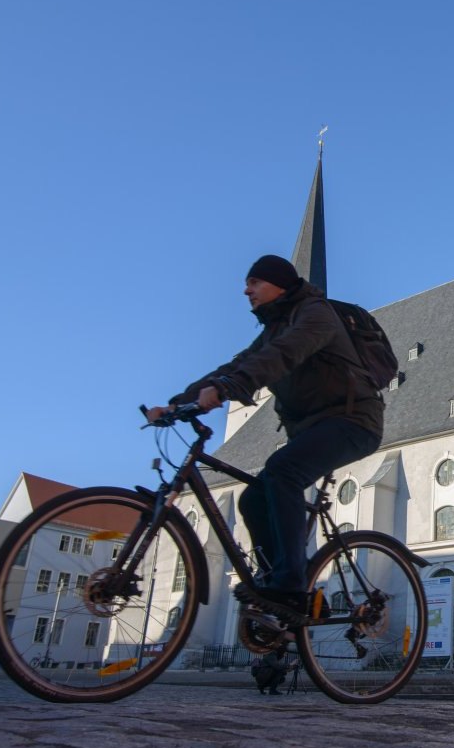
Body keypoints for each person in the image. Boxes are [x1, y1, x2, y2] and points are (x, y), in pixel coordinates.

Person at [147, 255, 384, 617]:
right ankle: (280, 585)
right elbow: (234, 366)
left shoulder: (316, 315)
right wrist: (178, 403)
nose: (246, 290)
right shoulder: (273, 329)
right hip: (312, 427)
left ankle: (288, 586)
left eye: (255, 282)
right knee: (253, 500)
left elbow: (284, 354)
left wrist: (231, 386)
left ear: (280, 284)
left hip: (353, 422)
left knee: (281, 472)